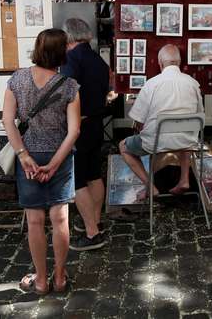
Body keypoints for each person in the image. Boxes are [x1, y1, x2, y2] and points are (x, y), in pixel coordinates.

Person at [2, 29, 81, 294]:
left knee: (34, 221)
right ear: (62, 53)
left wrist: (23, 156)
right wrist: (57, 162)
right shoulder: (69, 86)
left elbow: (7, 121)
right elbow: (74, 132)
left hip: (29, 157)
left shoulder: (18, 79)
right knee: (60, 220)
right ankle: (60, 278)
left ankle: (40, 281)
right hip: (59, 156)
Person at [119, 45, 204, 199]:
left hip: (156, 143)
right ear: (179, 62)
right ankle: (184, 179)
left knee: (123, 147)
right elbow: (199, 115)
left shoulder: (151, 84)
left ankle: (151, 187)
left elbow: (138, 120)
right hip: (187, 141)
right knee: (185, 135)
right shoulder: (193, 83)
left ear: (160, 63)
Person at [61, 19, 110, 251]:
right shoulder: (98, 59)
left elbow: (68, 90)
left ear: (68, 37)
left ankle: (92, 233)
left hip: (79, 124)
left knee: (78, 178)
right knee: (93, 174)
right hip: (96, 123)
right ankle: (96, 221)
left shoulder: (72, 58)